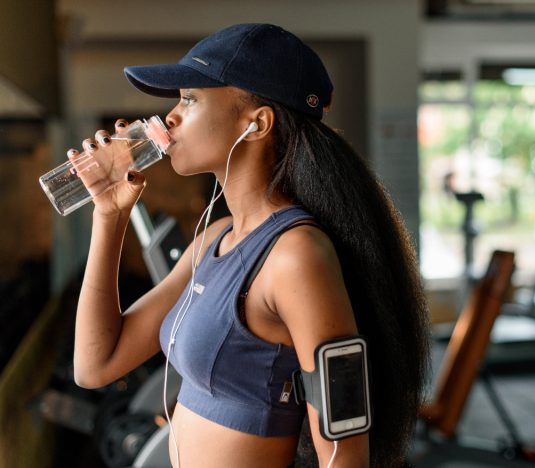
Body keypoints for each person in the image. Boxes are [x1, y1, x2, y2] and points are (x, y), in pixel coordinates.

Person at [71, 23, 429, 467]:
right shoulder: (214, 238)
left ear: (256, 124)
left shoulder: (295, 256)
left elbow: (345, 452)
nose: (170, 117)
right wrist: (109, 215)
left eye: (191, 99)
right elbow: (95, 365)